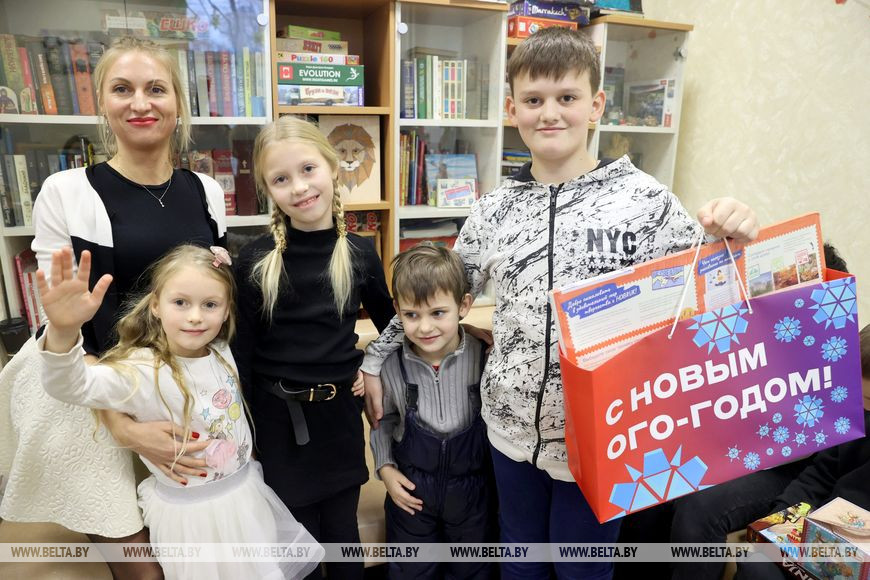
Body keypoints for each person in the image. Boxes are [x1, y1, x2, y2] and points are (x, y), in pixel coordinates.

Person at [362, 27, 759, 580]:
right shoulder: (494, 210)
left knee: (582, 568)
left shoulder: (646, 201)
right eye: (533, 100)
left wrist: (735, 240)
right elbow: (433, 295)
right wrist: (374, 357)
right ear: (513, 110)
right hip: (508, 431)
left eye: (567, 97)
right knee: (520, 556)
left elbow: (712, 299)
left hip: (604, 434)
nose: (549, 113)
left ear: (596, 105)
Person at [0, 36, 225, 579]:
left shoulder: (206, 190)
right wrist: (122, 425)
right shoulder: (66, 190)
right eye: (122, 89)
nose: (140, 103)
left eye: (156, 89)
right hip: (85, 382)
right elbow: (65, 324)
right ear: (102, 103)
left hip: (177, 383)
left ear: (178, 102)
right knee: (144, 571)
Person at [36, 245, 321, 580]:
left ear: (227, 310)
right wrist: (63, 332)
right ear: (156, 305)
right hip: (191, 521)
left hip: (246, 500)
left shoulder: (222, 352)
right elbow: (71, 387)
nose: (195, 316)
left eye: (210, 304)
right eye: (181, 302)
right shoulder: (140, 369)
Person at [614, 242, 851, 580]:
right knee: (650, 485)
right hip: (727, 447)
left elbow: (820, 446)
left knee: (701, 507)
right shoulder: (749, 324)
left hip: (787, 465)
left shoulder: (833, 348)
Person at [232, 115, 395, 580]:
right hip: (277, 425)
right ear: (268, 189)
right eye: (281, 179)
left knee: (342, 535)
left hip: (338, 421)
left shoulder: (359, 253)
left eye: (308, 170)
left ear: (332, 167)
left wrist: (372, 365)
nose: (300, 187)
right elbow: (241, 354)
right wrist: (246, 433)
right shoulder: (256, 259)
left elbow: (391, 327)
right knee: (298, 543)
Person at [371, 243, 492, 579]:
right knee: (411, 571)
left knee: (473, 571)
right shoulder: (390, 365)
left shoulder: (484, 356)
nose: (425, 328)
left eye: (438, 313)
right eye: (412, 315)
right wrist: (385, 468)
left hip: (473, 497)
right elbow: (384, 421)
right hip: (411, 497)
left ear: (463, 305)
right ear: (397, 310)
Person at [734, 322, 870, 580]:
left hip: (856, 555)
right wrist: (778, 519)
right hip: (822, 532)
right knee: (756, 563)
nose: (862, 406)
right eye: (859, 394)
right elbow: (820, 475)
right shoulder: (856, 412)